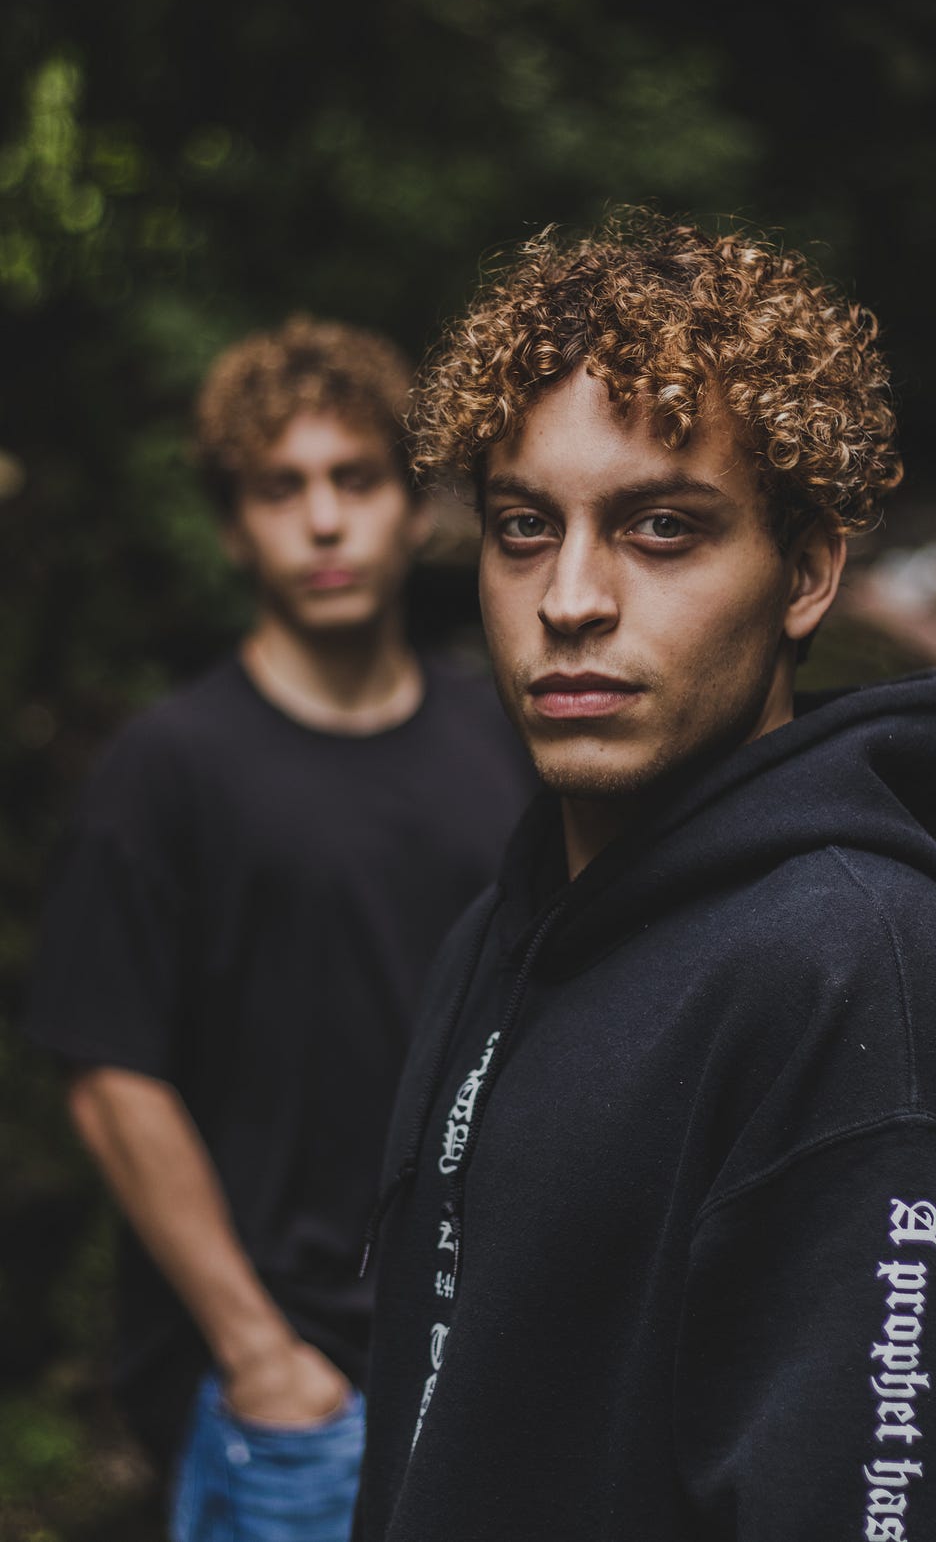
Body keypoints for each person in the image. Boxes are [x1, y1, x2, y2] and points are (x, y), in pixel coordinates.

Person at [355, 213, 936, 1541]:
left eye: (663, 527)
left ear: (809, 569)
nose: (573, 596)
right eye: (523, 527)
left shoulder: (861, 987)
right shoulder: (506, 929)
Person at [25, 316, 534, 1542]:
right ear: (230, 527)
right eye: (279, 488)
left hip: (485, 1357)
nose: (322, 520)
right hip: (295, 1385)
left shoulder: (506, 739)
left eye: (355, 481)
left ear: (416, 511)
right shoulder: (167, 769)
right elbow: (108, 1075)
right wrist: (260, 1350)